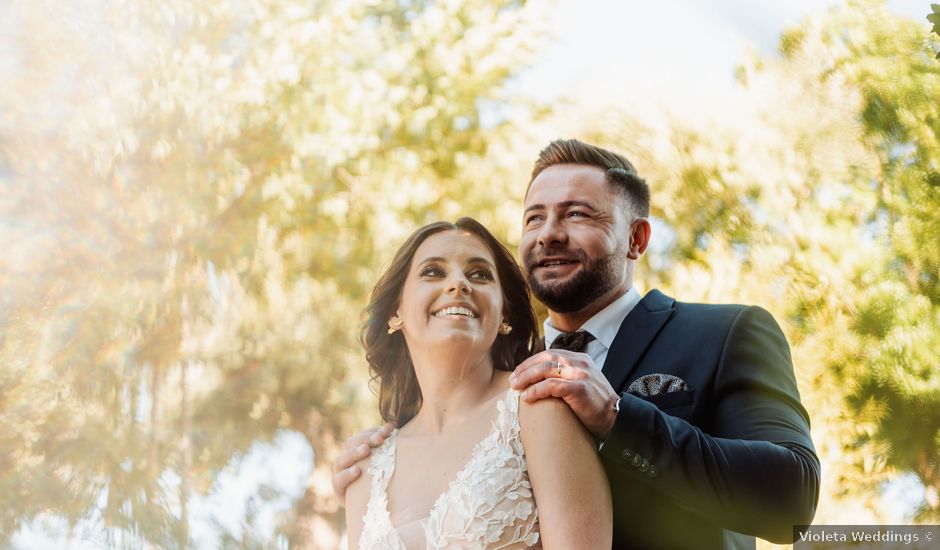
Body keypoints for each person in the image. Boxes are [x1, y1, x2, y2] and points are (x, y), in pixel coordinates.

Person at [336, 140, 820, 549]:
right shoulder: (502, 386)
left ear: (636, 238)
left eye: (576, 214)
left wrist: (618, 418)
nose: (549, 233)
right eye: (534, 218)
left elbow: (792, 500)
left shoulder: (723, 333)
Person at [344, 217, 611, 549]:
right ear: (394, 313)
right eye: (433, 272)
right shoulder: (366, 468)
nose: (458, 284)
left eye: (480, 274)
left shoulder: (538, 408)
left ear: (504, 317)